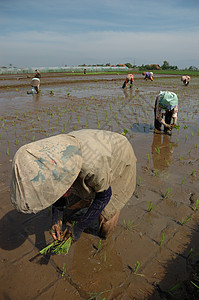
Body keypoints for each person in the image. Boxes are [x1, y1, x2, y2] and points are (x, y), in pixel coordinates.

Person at [10, 129, 137, 242]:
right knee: (68, 210)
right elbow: (56, 189)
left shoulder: (93, 166)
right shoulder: (51, 158)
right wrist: (56, 219)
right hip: (91, 153)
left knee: (106, 221)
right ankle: (86, 200)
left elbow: (104, 196)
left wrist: (79, 228)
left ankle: (104, 242)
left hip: (119, 158)